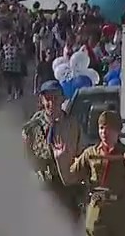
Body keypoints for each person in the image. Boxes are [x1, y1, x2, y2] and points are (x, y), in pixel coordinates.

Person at [23, 81, 84, 222]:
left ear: (62, 99)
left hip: (67, 186)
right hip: (43, 187)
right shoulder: (32, 127)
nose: (52, 103)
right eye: (48, 99)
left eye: (55, 98)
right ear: (42, 101)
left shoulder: (72, 124)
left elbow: (81, 154)